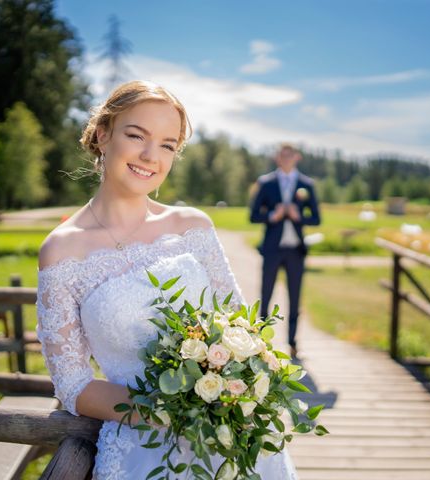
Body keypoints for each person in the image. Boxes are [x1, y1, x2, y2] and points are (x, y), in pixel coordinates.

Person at [36, 80, 297, 479]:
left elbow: (246, 331)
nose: (149, 156)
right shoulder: (61, 251)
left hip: (235, 442)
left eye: (167, 145)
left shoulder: (192, 226)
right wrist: (172, 411)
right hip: (145, 452)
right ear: (103, 134)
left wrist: (231, 399)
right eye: (136, 135)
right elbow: (73, 385)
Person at [250, 144, 321, 358]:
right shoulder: (266, 183)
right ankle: (259, 342)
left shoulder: (306, 185)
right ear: (277, 158)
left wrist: (300, 217)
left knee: (295, 297)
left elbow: (316, 219)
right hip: (272, 249)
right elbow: (253, 216)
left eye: (291, 155)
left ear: (297, 157)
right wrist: (273, 215)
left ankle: (292, 342)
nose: (287, 158)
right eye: (283, 155)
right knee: (266, 295)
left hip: (295, 251)